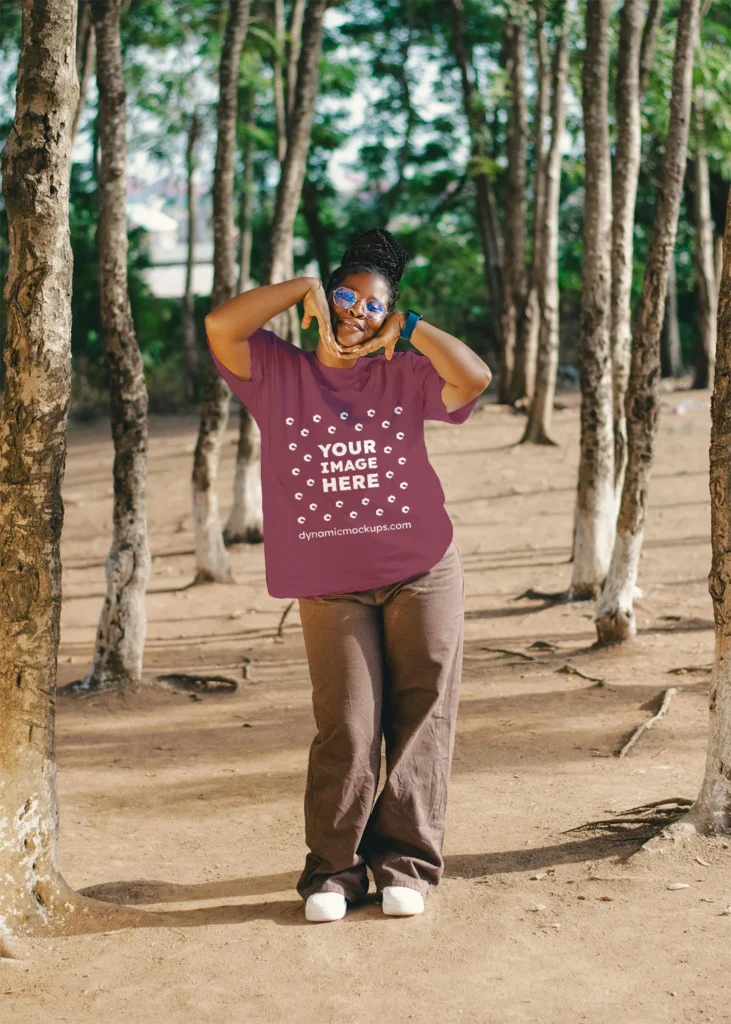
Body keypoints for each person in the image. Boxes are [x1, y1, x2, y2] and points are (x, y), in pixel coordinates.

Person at [205, 228, 492, 922]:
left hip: (420, 569)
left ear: (389, 314)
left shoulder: (404, 370)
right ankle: (333, 871)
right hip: (330, 583)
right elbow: (220, 323)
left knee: (422, 718)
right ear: (325, 299)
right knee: (348, 727)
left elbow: (474, 376)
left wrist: (411, 329)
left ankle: (407, 866)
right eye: (344, 296)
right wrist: (299, 288)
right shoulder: (276, 371)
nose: (355, 312)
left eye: (374, 305)